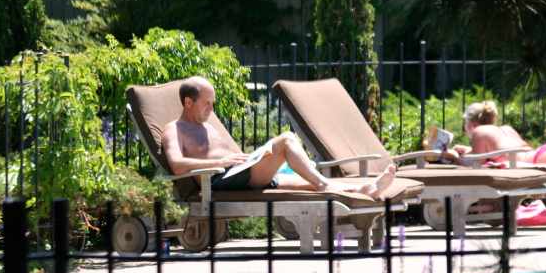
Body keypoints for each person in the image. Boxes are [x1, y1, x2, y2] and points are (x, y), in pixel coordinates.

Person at [161, 76, 397, 199]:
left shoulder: (208, 127)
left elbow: (228, 157)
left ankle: (366, 190)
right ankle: (326, 183)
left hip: (241, 174)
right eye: (206, 104)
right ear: (188, 102)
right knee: (285, 140)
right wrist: (220, 162)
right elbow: (177, 165)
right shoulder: (175, 129)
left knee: (310, 185)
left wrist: (243, 157)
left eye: (212, 103)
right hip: (217, 181)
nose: (211, 109)